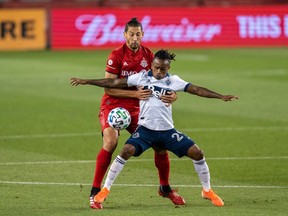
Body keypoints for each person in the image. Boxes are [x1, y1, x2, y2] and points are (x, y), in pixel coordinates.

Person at [70, 49, 239, 207]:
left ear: (168, 68)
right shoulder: (141, 77)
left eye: (163, 69)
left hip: (167, 131)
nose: (159, 72)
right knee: (125, 151)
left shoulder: (173, 81)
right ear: (151, 65)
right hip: (145, 131)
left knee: (197, 153)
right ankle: (104, 190)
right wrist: (87, 81)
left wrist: (220, 96)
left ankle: (207, 190)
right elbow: (113, 82)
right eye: (156, 68)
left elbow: (196, 89)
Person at [87, 18, 181, 209]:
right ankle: (95, 191)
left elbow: (164, 81)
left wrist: (173, 96)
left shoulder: (149, 55)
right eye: (131, 34)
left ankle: (165, 188)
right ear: (125, 35)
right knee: (111, 142)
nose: (135, 38)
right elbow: (108, 89)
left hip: (138, 107)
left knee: (159, 144)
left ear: (142, 35)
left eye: (138, 34)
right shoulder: (116, 55)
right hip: (113, 104)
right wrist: (135, 93)